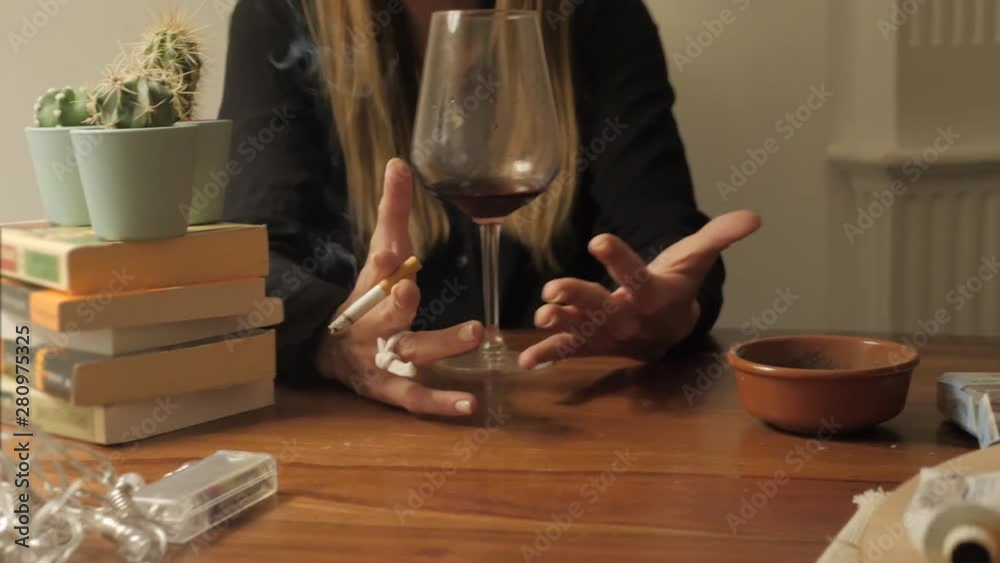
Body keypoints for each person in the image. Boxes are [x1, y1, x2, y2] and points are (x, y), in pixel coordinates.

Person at [219, 0, 761, 417]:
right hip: (348, 429)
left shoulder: (596, 13)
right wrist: (331, 341)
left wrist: (666, 311)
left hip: (570, 415)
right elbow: (247, 258)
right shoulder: (279, 15)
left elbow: (663, 247)